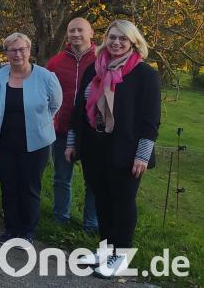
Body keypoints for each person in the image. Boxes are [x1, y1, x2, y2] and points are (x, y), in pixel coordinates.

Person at [65, 20, 160, 278]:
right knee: (102, 200)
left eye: (123, 38)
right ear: (105, 39)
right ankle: (106, 250)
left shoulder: (144, 74)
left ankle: (121, 256)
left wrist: (142, 155)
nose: (116, 43)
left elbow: (150, 120)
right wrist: (72, 142)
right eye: (112, 37)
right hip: (94, 147)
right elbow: (78, 109)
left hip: (126, 151)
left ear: (134, 42)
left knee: (123, 202)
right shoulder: (94, 69)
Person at [0, 33, 62, 245]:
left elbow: (55, 105)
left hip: (36, 143)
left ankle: (28, 231)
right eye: (12, 50)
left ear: (29, 50)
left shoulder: (46, 77)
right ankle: (11, 228)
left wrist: (39, 122)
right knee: (8, 186)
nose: (18, 54)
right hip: (4, 141)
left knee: (30, 187)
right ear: (6, 53)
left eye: (22, 49)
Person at [46, 18, 98, 232]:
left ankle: (91, 224)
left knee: (93, 180)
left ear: (91, 33)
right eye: (71, 30)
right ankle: (60, 218)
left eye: (80, 30)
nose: (75, 34)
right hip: (62, 128)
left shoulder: (101, 60)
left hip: (91, 132)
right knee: (61, 177)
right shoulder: (56, 63)